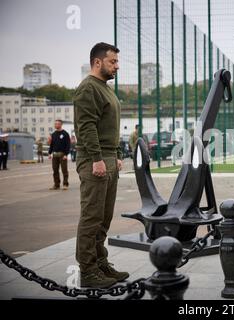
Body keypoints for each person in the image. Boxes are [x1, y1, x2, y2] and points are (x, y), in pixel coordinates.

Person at [73, 42, 128, 288]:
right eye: (112, 61)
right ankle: (87, 271)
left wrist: (114, 154)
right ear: (98, 62)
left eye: (116, 61)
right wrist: (96, 159)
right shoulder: (88, 88)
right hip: (94, 160)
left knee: (104, 218)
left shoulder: (105, 88)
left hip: (107, 158)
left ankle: (100, 264)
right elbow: (86, 127)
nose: (117, 66)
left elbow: (108, 127)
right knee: (91, 217)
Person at [48, 120, 71, 190]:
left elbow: (68, 145)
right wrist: (49, 153)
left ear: (61, 124)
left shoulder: (65, 134)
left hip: (62, 154)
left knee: (64, 170)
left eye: (57, 124)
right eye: (55, 124)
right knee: (55, 170)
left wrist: (66, 154)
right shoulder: (53, 134)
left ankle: (65, 184)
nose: (56, 125)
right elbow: (52, 145)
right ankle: (56, 184)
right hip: (55, 155)